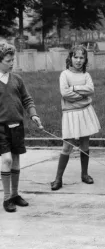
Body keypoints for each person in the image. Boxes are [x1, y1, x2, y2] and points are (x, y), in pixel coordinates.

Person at [0, 42, 43, 212]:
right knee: (7, 160)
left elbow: (27, 99)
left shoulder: (17, 79)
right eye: (8, 60)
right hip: (1, 128)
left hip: (17, 126)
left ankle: (15, 195)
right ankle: (6, 198)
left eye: (13, 60)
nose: (12, 63)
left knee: (16, 160)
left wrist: (34, 114)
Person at [51, 45, 101, 191]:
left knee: (85, 145)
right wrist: (82, 95)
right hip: (70, 114)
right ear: (70, 58)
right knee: (67, 147)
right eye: (76, 57)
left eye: (81, 58)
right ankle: (58, 178)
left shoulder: (86, 75)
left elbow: (91, 89)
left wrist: (74, 88)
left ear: (85, 60)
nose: (78, 60)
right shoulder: (64, 74)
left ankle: (84, 174)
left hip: (85, 112)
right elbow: (65, 93)